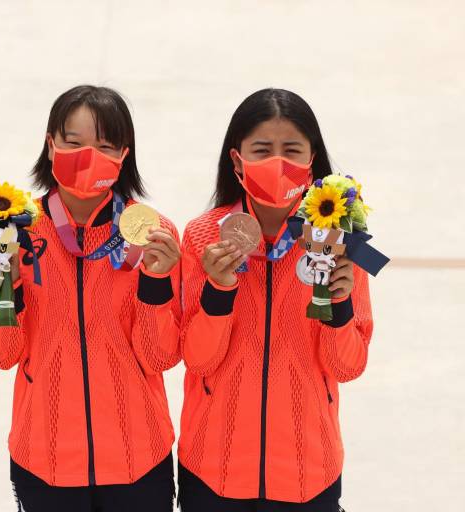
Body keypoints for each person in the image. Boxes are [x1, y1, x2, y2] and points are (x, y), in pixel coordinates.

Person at [0, 85, 182, 511]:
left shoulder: (153, 234)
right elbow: (3, 353)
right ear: (51, 145)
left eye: (105, 145)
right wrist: (3, 293)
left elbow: (159, 355)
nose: (88, 156)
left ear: (125, 154)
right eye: (73, 142)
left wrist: (157, 282)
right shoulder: (13, 233)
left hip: (138, 458)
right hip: (43, 458)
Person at [177, 88, 372, 511]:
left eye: (292, 151)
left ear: (312, 160)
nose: (278, 164)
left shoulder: (338, 242)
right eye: (262, 150)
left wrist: (340, 309)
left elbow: (348, 366)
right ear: (237, 160)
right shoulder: (203, 236)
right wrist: (218, 292)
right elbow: (197, 359)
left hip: (309, 471)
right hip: (213, 469)